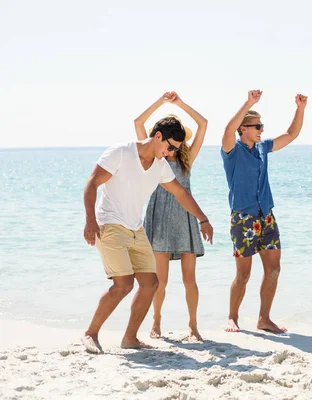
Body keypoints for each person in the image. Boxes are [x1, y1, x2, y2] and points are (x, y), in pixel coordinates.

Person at [81, 115, 213, 354]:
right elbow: (92, 183)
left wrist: (203, 219)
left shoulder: (161, 166)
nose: (171, 153)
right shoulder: (121, 152)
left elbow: (181, 194)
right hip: (109, 223)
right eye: (170, 146)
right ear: (158, 136)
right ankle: (91, 333)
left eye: (176, 149)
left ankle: (130, 338)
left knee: (151, 283)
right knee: (123, 285)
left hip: (136, 228)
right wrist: (90, 220)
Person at [221, 89, 307, 334]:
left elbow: (291, 134)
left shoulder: (262, 148)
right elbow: (227, 131)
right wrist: (248, 102)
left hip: (266, 216)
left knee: (274, 270)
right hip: (243, 218)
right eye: (257, 126)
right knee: (243, 274)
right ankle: (232, 317)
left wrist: (299, 109)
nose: (261, 130)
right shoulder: (232, 151)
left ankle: (264, 319)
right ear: (243, 129)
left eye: (262, 126)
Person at [134, 91, 209, 342]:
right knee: (160, 281)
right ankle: (156, 322)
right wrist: (159, 103)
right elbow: (137, 123)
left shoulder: (188, 159)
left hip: (185, 218)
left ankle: (193, 326)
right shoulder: (155, 156)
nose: (171, 147)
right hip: (158, 218)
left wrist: (180, 104)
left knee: (190, 279)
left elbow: (204, 124)